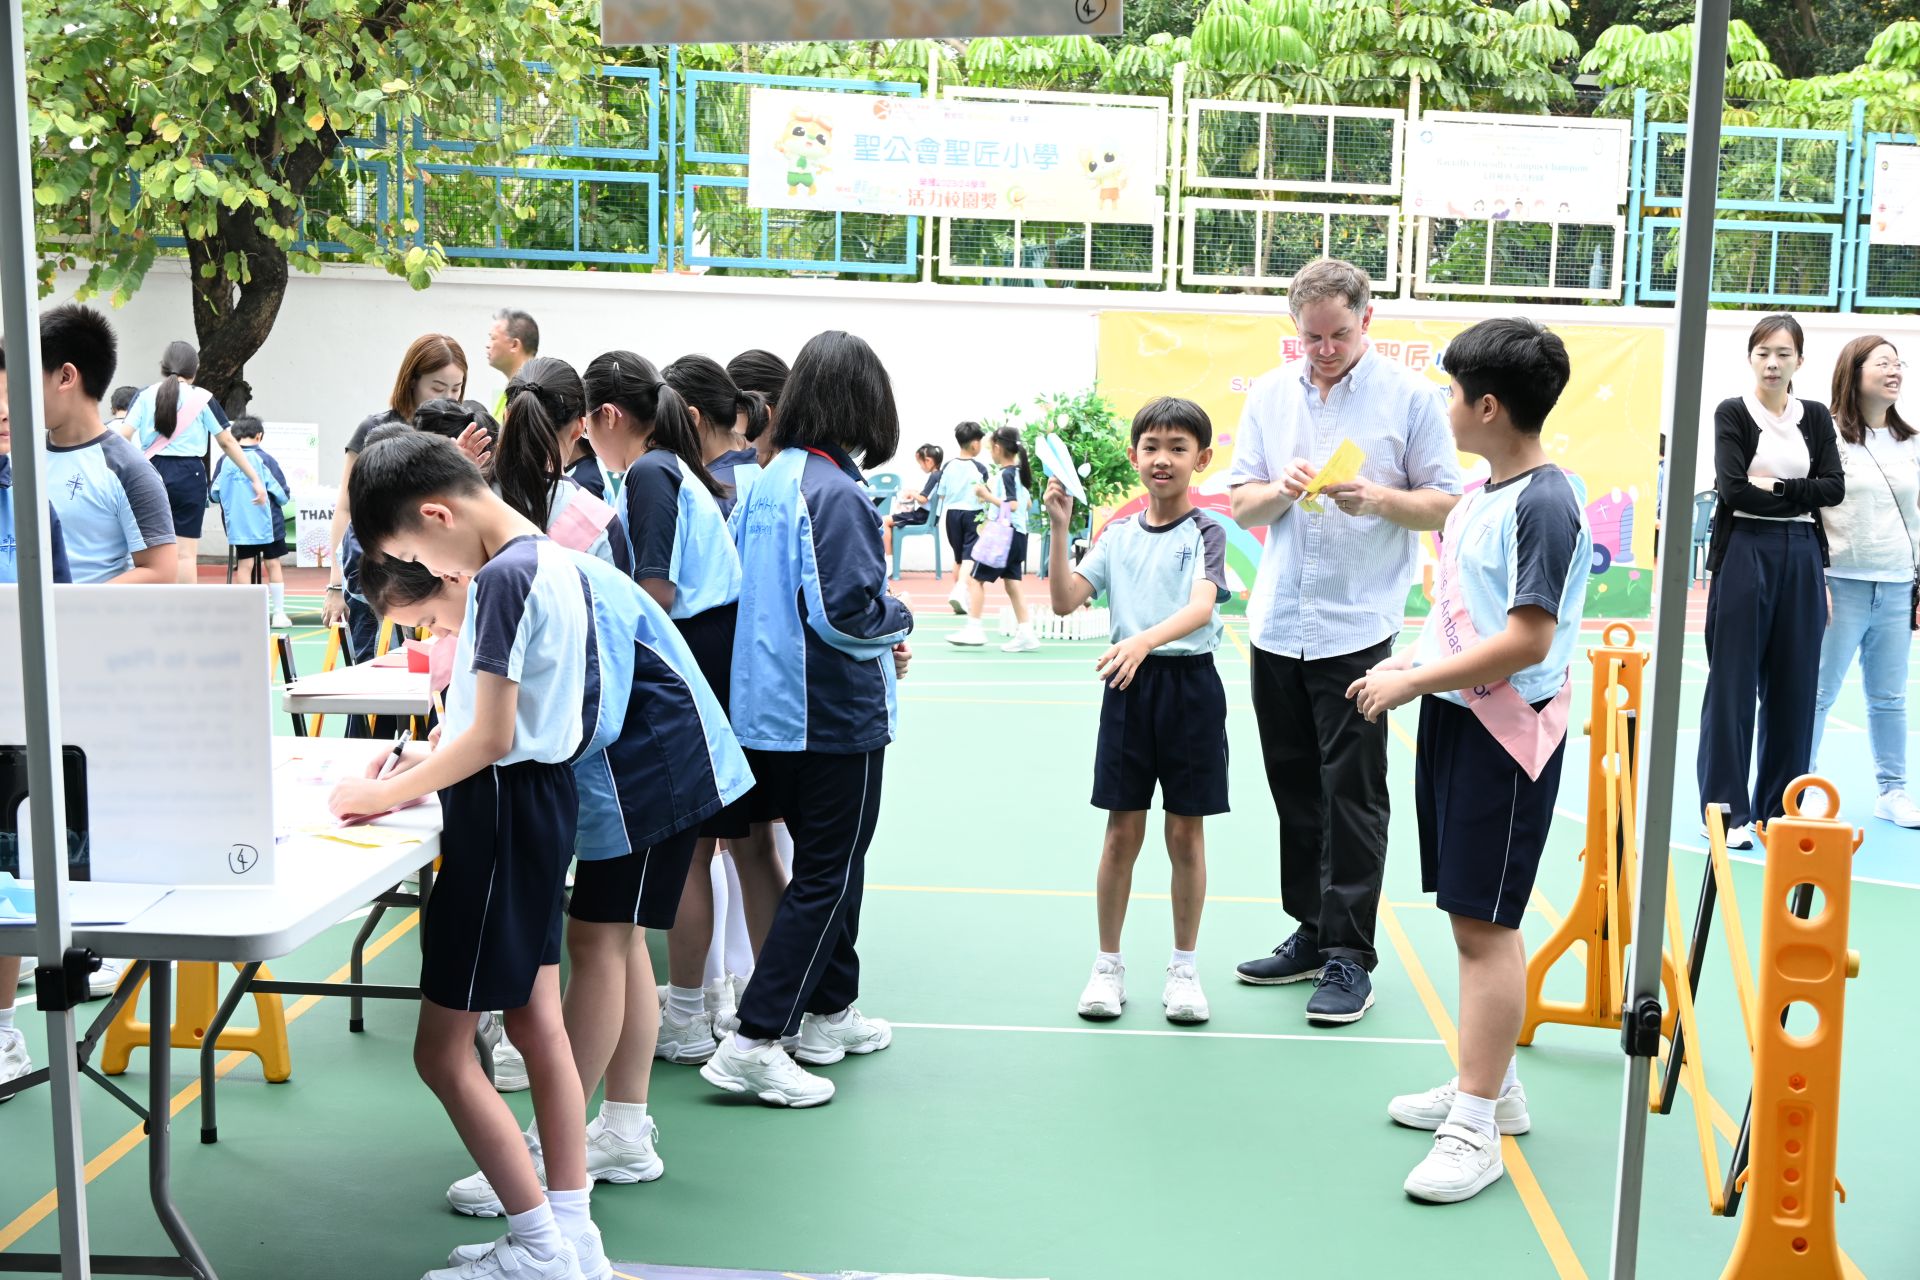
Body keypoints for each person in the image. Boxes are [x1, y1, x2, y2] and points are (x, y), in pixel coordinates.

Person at [333, 431, 743, 1279]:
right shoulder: (551, 560)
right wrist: (426, 764)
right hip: (538, 802)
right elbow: (502, 721)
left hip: (501, 811)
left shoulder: (504, 577)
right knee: (539, 1023)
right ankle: (568, 1230)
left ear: (437, 516)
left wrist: (376, 795)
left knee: (442, 1053)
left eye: (416, 556)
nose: (431, 574)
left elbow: (490, 737)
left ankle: (537, 1242)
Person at [1347, 317, 1590, 1205]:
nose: (1444, 407)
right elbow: (1463, 612)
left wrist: (1413, 682)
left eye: (1452, 393)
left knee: (1487, 929)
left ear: (1488, 407)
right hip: (1457, 720)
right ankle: (1493, 1087)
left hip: (1505, 734)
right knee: (1471, 918)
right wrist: (1410, 663)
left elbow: (1526, 640)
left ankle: (1476, 1126)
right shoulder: (1484, 495)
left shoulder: (1545, 503)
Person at [1227, 258, 1462, 1025]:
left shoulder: (1412, 398)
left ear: (1368, 318)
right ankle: (1311, 930)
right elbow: (1242, 505)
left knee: (1353, 797)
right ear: (1294, 329)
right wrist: (1280, 490)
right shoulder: (1269, 395)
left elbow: (1446, 504)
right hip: (1276, 627)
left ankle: (1349, 956)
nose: (1325, 350)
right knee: (1295, 789)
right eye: (1311, 338)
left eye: (1338, 334)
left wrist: (1380, 499)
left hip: (1359, 631)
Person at [702, 330, 912, 1108]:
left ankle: (830, 1011)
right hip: (829, 715)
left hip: (766, 711)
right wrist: (899, 620)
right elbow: (846, 613)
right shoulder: (834, 491)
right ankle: (756, 1039)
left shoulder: (763, 481)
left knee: (830, 867)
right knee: (829, 873)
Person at [582, 350, 773, 1066]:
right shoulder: (672, 468)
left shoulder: (651, 473)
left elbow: (655, 591)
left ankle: (690, 1011)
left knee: (691, 849)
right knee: (720, 847)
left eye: (585, 424)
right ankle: (724, 999)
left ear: (607, 415)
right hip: (709, 649)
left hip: (689, 651)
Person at [1046, 397, 1230, 1024]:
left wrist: (1144, 641)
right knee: (1121, 831)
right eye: (1151, 446)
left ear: (1201, 459)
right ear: (1133, 456)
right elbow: (1066, 600)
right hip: (1128, 688)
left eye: (1178, 448)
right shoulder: (1118, 535)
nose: (1163, 459)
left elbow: (1202, 607)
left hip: (1190, 689)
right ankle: (1108, 966)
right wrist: (1059, 529)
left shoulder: (1207, 532)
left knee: (1185, 833)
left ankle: (1184, 969)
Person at [1697, 315, 1845, 849]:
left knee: (1795, 687)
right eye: (1763, 352)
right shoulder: (1733, 412)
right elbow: (1734, 490)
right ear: (1750, 357)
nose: (1773, 363)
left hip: (1802, 552)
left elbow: (1833, 488)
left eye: (1783, 353)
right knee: (1732, 685)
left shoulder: (1816, 417)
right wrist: (1799, 489)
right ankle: (1724, 811)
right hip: (1745, 549)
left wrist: (1778, 486)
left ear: (1800, 360)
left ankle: (1780, 808)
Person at [0, 364, 73, 1092]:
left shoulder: (29, 500)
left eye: (9, 399)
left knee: (4, 870)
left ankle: (2, 1031)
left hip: (13, 715)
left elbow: (62, 607)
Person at [1812, 335, 1919, 827]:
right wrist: (1816, 577)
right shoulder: (1826, 436)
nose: (1895, 371)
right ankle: (1803, 785)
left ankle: (1892, 791)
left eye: (1899, 363)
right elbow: (1812, 511)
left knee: (1890, 697)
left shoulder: (1911, 442)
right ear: (1853, 373)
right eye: (1883, 363)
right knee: (1817, 693)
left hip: (1897, 584)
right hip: (1840, 583)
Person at [323, 334, 471, 663]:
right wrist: (335, 586)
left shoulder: (459, 433)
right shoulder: (375, 429)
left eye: (456, 388)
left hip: (435, 593)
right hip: (375, 587)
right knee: (373, 681)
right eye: (437, 387)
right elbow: (346, 508)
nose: (448, 397)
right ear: (411, 380)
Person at [35, 304, 179, 587]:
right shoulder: (19, 457)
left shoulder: (129, 469)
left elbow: (161, 571)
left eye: (26, 377)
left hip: (85, 615)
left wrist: (74, 605)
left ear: (65, 377)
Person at [125, 341, 271, 583]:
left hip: (150, 472)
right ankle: (184, 606)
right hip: (189, 475)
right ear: (195, 369)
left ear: (163, 366)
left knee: (150, 553)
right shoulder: (203, 399)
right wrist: (254, 478)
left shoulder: (144, 394)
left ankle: (154, 603)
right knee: (185, 555)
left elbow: (123, 436)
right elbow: (227, 442)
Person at [951, 426, 1039, 653]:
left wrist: (986, 495)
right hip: (1018, 535)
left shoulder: (1007, 474)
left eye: (991, 448)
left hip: (1003, 535)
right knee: (1012, 584)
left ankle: (974, 628)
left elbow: (1013, 505)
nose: (990, 452)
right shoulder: (1019, 473)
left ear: (998, 448)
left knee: (974, 579)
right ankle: (1026, 633)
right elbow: (1027, 504)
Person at [211, 416, 292, 625]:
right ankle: (279, 613)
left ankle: (247, 614)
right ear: (259, 436)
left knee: (244, 566)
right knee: (273, 564)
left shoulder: (225, 461)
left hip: (240, 526)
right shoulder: (266, 460)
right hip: (269, 525)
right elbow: (282, 495)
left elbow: (213, 494)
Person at [936, 421, 990, 613]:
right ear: (975, 443)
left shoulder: (948, 466)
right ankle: (960, 590)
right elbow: (984, 495)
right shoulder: (979, 468)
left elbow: (941, 494)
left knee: (959, 558)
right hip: (972, 514)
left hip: (951, 515)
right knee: (970, 557)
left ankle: (960, 598)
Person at [881, 443, 942, 557]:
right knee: (889, 522)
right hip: (927, 515)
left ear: (928, 461)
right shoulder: (939, 475)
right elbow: (926, 496)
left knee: (884, 521)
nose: (921, 467)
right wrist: (915, 493)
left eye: (920, 463)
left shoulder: (934, 476)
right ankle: (891, 559)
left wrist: (911, 493)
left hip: (923, 516)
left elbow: (923, 499)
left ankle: (888, 560)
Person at [487, 308, 540, 420]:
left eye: (493, 338)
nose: (488, 345)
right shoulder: (511, 391)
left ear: (514, 345)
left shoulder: (532, 395)